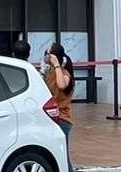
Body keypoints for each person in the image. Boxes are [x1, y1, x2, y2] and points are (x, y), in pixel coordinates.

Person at [42, 42, 75, 171]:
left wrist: (56, 64)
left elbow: (61, 85)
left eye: (47, 53)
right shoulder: (49, 72)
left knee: (63, 157)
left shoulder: (64, 73)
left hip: (61, 119)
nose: (44, 56)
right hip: (51, 118)